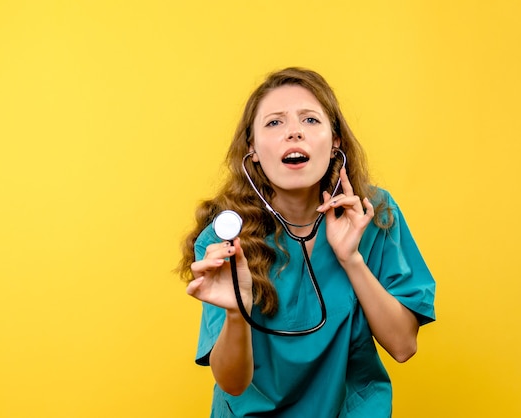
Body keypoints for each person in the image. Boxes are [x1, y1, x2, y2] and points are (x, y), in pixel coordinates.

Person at [177, 67, 436, 417]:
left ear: (335, 142)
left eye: (311, 120)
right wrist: (237, 313)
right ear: (252, 149)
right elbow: (233, 384)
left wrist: (351, 259)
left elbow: (404, 346)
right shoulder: (223, 239)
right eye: (274, 123)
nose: (294, 132)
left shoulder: (373, 215)